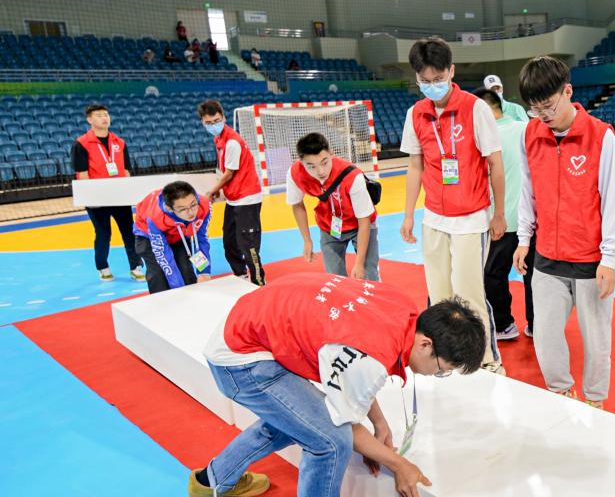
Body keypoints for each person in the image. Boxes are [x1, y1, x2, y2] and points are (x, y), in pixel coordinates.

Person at [193, 275, 485, 497]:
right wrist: (399, 464)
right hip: (240, 357)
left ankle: (212, 480)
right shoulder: (371, 360)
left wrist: (379, 423)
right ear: (426, 345)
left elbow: (354, 364)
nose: (435, 375)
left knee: (299, 420)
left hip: (249, 325)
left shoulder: (401, 307)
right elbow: (345, 424)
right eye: (442, 370)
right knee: (330, 443)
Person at [514, 56, 615, 410]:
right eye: (535, 109)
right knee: (545, 335)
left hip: (590, 259)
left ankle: (595, 400)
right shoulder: (530, 135)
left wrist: (609, 257)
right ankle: (560, 392)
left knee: (597, 340)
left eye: (548, 105)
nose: (542, 115)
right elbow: (527, 191)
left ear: (568, 91)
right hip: (547, 256)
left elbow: (612, 199)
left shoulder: (600, 136)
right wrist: (524, 239)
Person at [399, 37, 505, 371]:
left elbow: (495, 164)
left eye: (438, 78)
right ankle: (447, 359)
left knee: (469, 295)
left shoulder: (476, 109)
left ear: (452, 71)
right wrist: (408, 216)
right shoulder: (416, 114)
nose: (432, 85)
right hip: (433, 218)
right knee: (439, 296)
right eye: (425, 80)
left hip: (471, 218)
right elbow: (415, 166)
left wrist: (499, 214)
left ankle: (487, 360)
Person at [476, 88, 531, 341]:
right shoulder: (525, 129)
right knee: (533, 275)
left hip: (502, 219)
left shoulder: (485, 139)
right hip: (531, 219)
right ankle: (537, 325)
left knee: (493, 274)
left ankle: (503, 324)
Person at [288, 131, 380, 280]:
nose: (320, 171)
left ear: (331, 154)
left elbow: (364, 220)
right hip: (330, 226)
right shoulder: (295, 173)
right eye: (311, 166)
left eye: (324, 162)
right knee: (335, 278)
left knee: (369, 273)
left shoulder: (352, 176)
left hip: (360, 224)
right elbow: (297, 204)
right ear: (301, 162)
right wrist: (307, 240)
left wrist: (359, 264)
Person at [72, 103, 145, 282]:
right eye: (99, 115)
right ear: (89, 120)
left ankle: (136, 266)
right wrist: (90, 197)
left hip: (119, 196)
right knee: (103, 234)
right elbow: (82, 174)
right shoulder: (81, 143)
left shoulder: (119, 142)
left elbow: (126, 170)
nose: (104, 118)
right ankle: (102, 266)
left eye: (106, 114)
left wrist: (129, 193)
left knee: (130, 232)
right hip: (98, 199)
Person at [199, 99, 265, 286]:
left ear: (223, 118)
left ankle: (259, 281)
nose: (213, 125)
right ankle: (240, 274)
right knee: (229, 242)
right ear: (203, 122)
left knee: (248, 244)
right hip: (233, 199)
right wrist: (221, 192)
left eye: (216, 120)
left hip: (247, 199)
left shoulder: (232, 142)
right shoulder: (219, 139)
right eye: (208, 123)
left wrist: (212, 191)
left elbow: (229, 173)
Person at [133, 180, 212, 293]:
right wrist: (178, 291)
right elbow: (163, 254)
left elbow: (201, 239)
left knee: (186, 271)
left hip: (178, 234)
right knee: (159, 276)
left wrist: (204, 272)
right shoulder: (155, 217)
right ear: (170, 208)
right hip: (148, 236)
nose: (191, 213)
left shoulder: (204, 205)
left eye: (193, 205)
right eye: (183, 209)